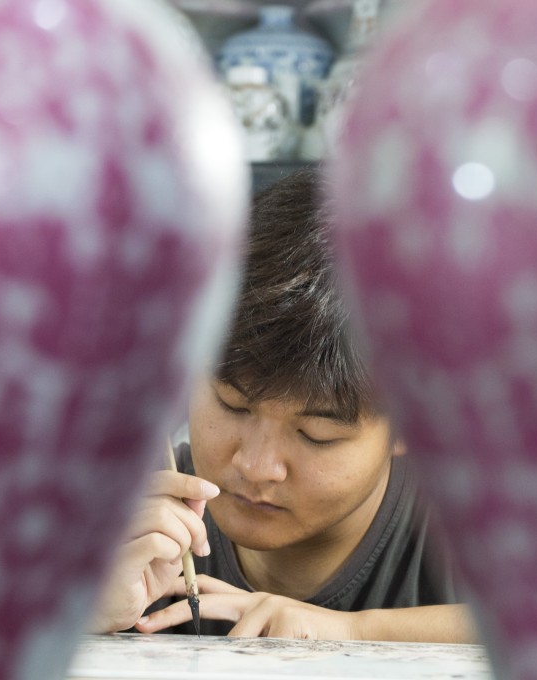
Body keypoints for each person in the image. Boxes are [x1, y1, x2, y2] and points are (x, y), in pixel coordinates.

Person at [89, 167, 478, 642]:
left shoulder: (471, 522)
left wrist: (354, 632)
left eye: (316, 435)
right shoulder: (124, 520)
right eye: (232, 405)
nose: (255, 466)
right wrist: (80, 615)